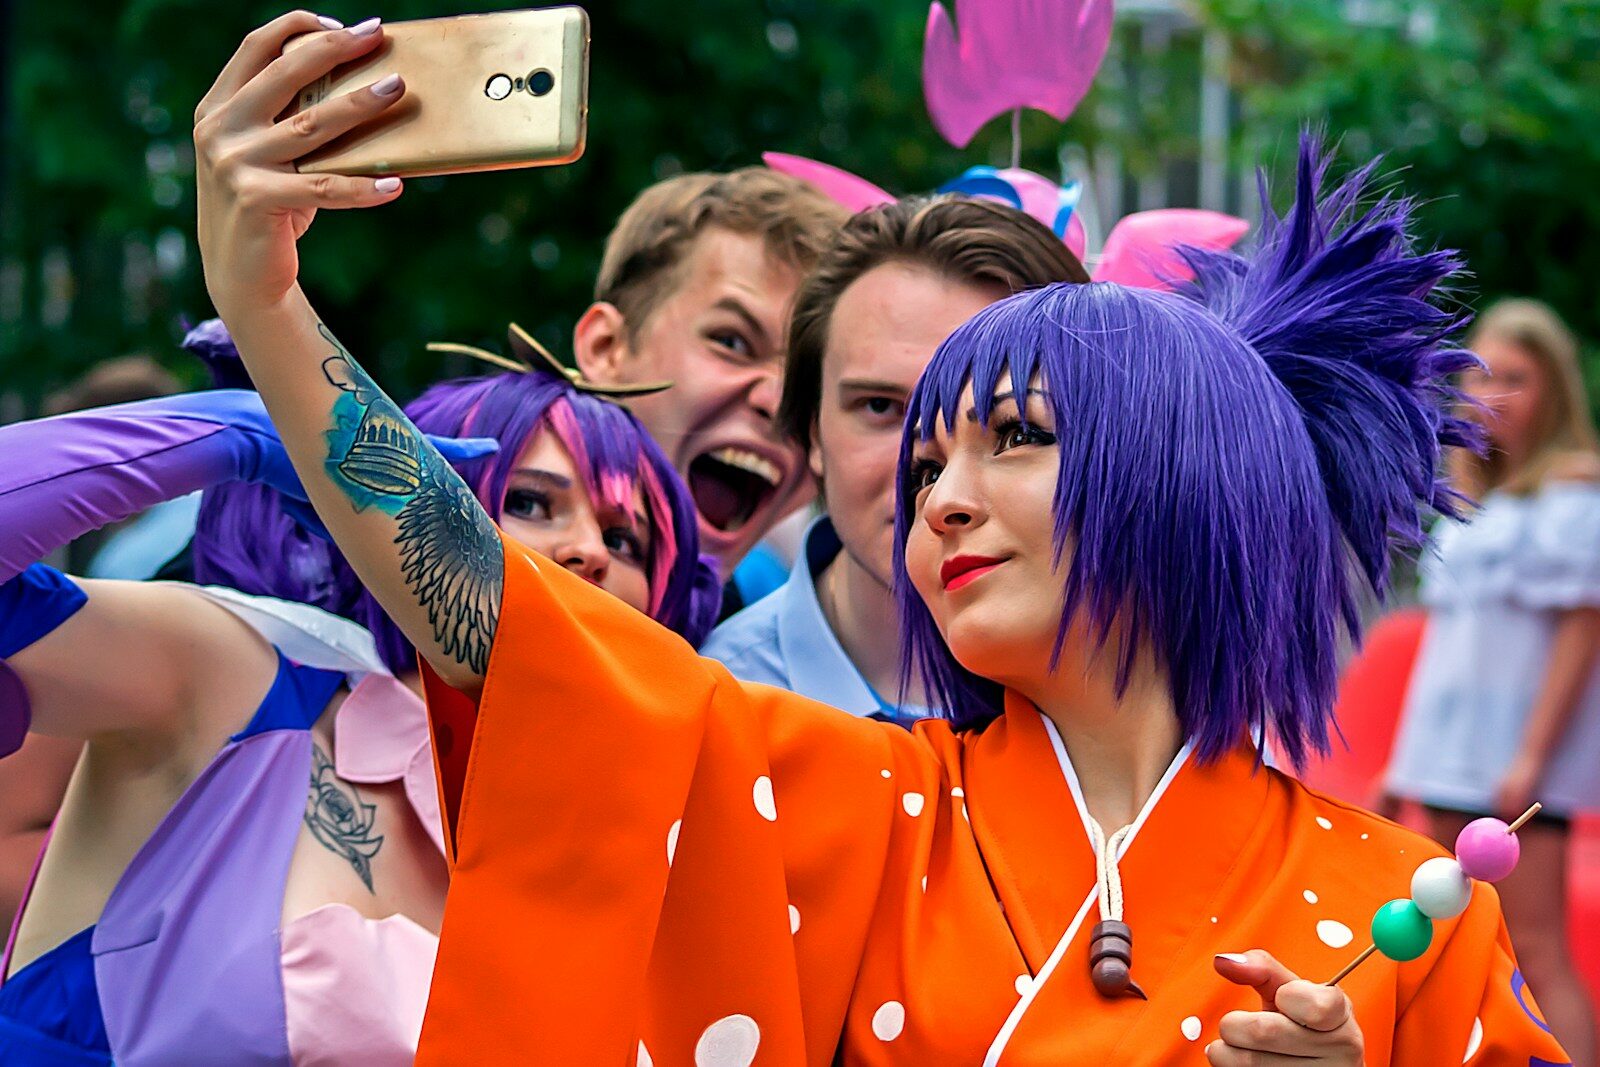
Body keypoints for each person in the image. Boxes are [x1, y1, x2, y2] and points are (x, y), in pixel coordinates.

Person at [192, 18, 1569, 1061]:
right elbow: (499, 615)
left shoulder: (1420, 901)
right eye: (919, 460)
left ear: (1187, 474)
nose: (938, 498)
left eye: (1010, 438)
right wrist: (270, 305)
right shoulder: (854, 797)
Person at [0, 336, 717, 1064]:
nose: (589, 549)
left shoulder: (659, 855)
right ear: (390, 524)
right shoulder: (243, 676)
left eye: (627, 538)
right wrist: (228, 435)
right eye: (531, 501)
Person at [703, 196, 1088, 721]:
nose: (934, 474)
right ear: (814, 434)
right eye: (880, 407)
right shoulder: (716, 710)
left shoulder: (1169, 704)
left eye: (1008, 426)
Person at [1386, 297, 1600, 1063]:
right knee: (1437, 937)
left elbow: (1581, 636)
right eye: (1481, 377)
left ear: (1556, 391)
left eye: (1518, 377)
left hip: (1513, 770)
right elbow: (1450, 651)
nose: (1496, 394)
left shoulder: (1573, 499)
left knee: (1537, 946)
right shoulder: (1473, 505)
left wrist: (1533, 759)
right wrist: (1402, 765)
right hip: (1446, 760)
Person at [572, 164, 847, 580]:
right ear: (606, 348)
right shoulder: (458, 553)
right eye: (732, 342)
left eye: (811, 379)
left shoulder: (764, 607)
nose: (778, 402)